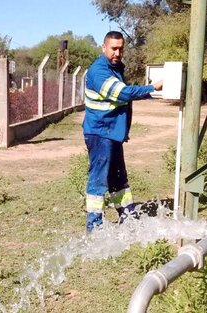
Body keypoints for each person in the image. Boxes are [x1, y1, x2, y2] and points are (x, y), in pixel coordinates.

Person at [83, 31, 163, 232]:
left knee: (118, 177)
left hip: (112, 133)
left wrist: (150, 93)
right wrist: (152, 88)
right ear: (104, 48)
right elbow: (122, 93)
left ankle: (127, 216)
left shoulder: (116, 68)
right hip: (100, 133)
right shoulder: (99, 71)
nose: (117, 52)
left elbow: (124, 96)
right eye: (113, 48)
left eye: (120, 48)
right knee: (99, 179)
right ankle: (94, 226)